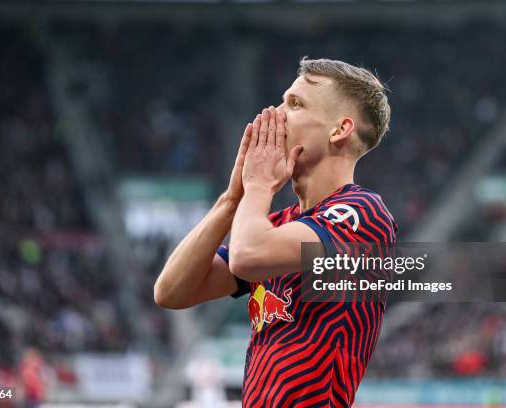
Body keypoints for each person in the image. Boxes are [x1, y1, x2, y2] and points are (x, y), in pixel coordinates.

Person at [155, 57, 398, 407]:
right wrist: (231, 198)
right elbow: (171, 292)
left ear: (339, 130)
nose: (275, 114)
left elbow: (247, 256)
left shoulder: (362, 213)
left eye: (295, 105)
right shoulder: (279, 227)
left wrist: (257, 188)